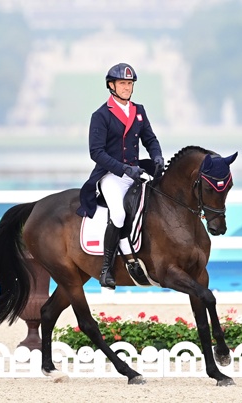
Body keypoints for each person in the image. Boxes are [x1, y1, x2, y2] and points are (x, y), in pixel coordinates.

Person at [77, 62, 164, 289]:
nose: (127, 87)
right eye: (123, 83)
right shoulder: (101, 115)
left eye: (130, 83)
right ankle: (107, 268)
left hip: (136, 173)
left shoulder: (139, 111)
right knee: (118, 214)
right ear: (111, 85)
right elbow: (96, 152)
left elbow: (150, 140)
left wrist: (157, 157)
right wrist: (124, 169)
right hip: (110, 175)